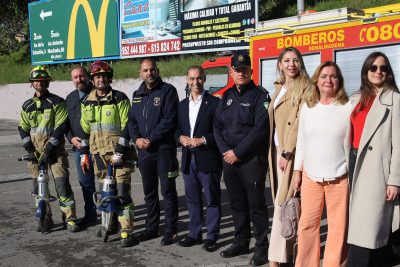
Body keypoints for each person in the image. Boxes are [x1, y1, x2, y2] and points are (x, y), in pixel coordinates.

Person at [213, 52, 270, 266]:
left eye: (245, 69)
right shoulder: (226, 96)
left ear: (251, 71)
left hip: (251, 160)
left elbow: (260, 129)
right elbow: (217, 127)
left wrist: (237, 152)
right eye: (237, 70)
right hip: (229, 160)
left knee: (256, 205)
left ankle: (262, 248)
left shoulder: (260, 96)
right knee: (236, 204)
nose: (241, 73)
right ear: (231, 72)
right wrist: (226, 151)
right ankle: (241, 241)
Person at [292, 61, 351, 267]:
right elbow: (301, 141)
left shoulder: (347, 107)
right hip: (311, 177)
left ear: (339, 81)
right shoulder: (308, 108)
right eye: (324, 76)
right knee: (307, 225)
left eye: (333, 76)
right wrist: (297, 171)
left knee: (338, 228)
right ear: (316, 80)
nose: (328, 80)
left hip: (339, 177)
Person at [346, 52, 400, 267]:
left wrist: (395, 179)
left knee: (367, 228)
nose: (378, 72)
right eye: (373, 68)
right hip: (353, 161)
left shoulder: (395, 99)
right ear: (366, 71)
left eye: (383, 68)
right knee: (364, 227)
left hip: (376, 170)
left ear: (388, 72)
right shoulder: (355, 98)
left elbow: (399, 144)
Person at [79, 61, 137, 247]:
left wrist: (120, 151)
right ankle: (109, 225)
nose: (101, 79)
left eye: (104, 76)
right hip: (98, 155)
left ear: (109, 77)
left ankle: (126, 230)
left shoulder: (119, 98)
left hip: (119, 155)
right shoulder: (86, 101)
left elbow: (128, 126)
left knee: (121, 193)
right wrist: (84, 153)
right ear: (92, 79)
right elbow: (85, 130)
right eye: (97, 76)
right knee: (105, 193)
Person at [18, 65, 79, 233]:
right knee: (38, 189)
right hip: (36, 155)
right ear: (32, 83)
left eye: (43, 80)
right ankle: (45, 219)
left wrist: (48, 150)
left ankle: (70, 218)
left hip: (55, 153)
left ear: (47, 82)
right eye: (36, 81)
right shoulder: (27, 105)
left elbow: (60, 126)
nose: (39, 83)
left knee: (62, 186)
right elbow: (22, 127)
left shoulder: (57, 102)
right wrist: (30, 149)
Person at [128, 58, 179, 246]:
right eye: (145, 70)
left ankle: (170, 229)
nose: (149, 73)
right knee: (149, 192)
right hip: (144, 152)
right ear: (140, 73)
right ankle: (152, 228)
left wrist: (151, 139)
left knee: (168, 191)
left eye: (152, 70)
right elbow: (131, 121)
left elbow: (170, 119)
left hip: (163, 150)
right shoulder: (137, 94)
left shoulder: (168, 91)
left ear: (157, 71)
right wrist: (137, 139)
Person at [267, 47, 310, 266]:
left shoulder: (304, 86)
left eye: (295, 60)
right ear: (280, 64)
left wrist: (287, 152)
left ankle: (275, 259)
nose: (291, 64)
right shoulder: (279, 87)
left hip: (288, 153)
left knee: (281, 205)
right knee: (287, 205)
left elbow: (299, 122)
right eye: (286, 60)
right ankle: (290, 253)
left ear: (300, 63)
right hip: (275, 152)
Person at [176, 66, 222, 252]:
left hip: (208, 157)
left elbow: (220, 132)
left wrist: (202, 140)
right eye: (192, 79)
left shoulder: (214, 103)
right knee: (193, 199)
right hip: (188, 159)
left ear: (204, 79)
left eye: (199, 79)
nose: (195, 82)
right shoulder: (181, 105)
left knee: (211, 199)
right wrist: (180, 138)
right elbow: (176, 129)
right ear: (187, 80)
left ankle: (212, 236)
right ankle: (194, 234)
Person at [65, 66, 97, 227]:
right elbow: (66, 124)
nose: (79, 80)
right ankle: (91, 215)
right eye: (75, 77)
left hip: (98, 148)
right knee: (86, 184)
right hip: (79, 150)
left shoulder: (98, 93)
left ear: (87, 76)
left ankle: (112, 215)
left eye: (81, 76)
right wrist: (71, 138)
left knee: (108, 182)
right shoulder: (70, 98)